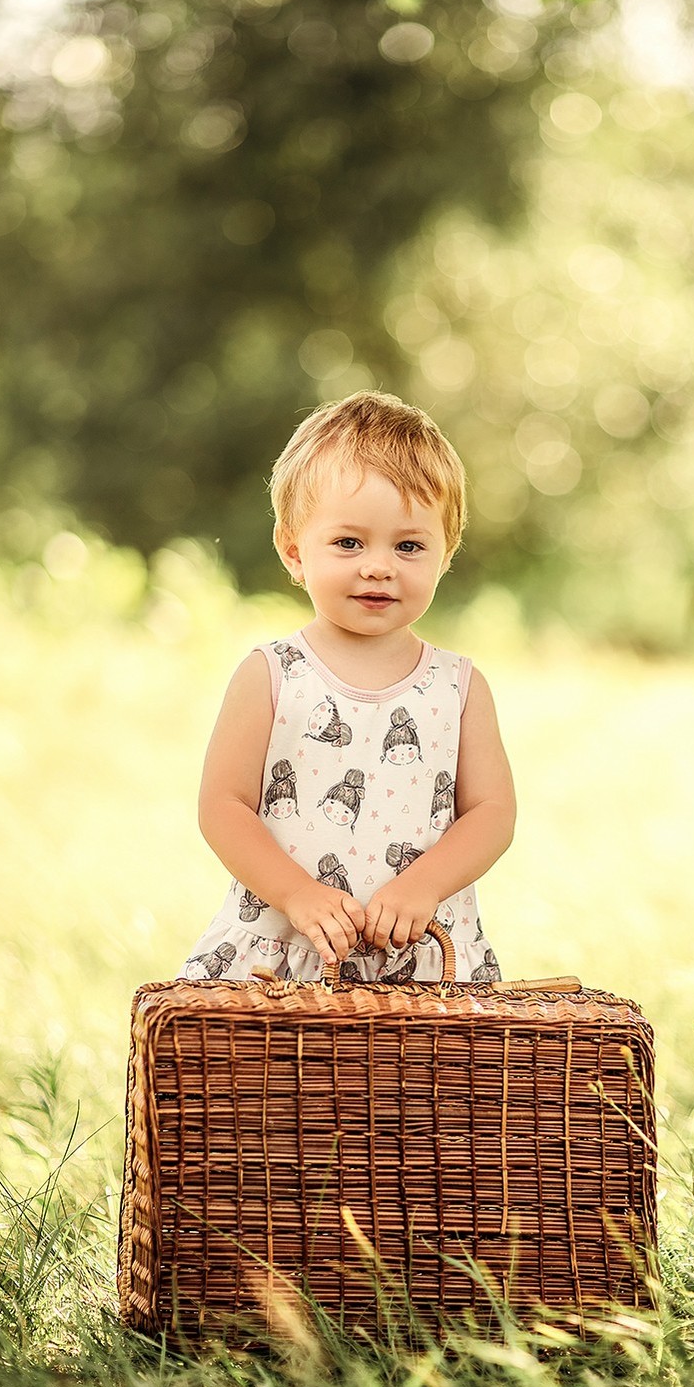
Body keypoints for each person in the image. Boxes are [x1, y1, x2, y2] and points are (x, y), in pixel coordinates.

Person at [181, 390, 515, 984]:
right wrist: (298, 894)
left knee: (421, 1081)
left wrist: (424, 886)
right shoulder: (272, 674)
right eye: (349, 542)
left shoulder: (458, 688)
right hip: (286, 953)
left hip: (423, 956)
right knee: (268, 1077)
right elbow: (222, 807)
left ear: (445, 556)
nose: (379, 566)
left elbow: (491, 813)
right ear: (294, 550)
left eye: (409, 546)